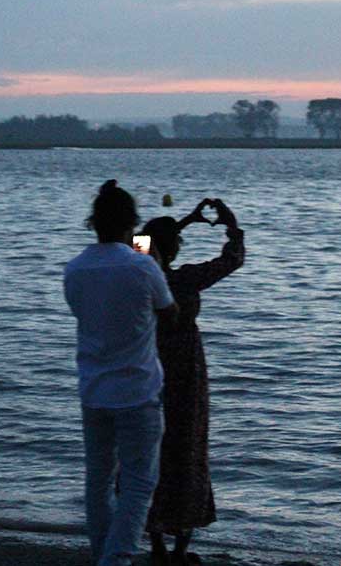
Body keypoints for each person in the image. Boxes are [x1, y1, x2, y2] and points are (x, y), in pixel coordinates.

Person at [64, 180, 178, 566]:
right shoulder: (142, 265)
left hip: (93, 391)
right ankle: (117, 558)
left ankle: (104, 553)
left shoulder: (76, 269)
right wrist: (149, 255)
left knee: (98, 481)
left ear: (92, 222)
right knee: (139, 481)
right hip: (138, 392)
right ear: (132, 222)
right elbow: (170, 313)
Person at [140, 198, 245, 566]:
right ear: (173, 249)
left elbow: (141, 244)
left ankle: (154, 543)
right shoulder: (184, 279)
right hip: (185, 373)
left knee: (152, 452)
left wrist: (180, 224)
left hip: (149, 369)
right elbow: (232, 259)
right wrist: (230, 225)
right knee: (186, 450)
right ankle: (180, 550)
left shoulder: (142, 275)